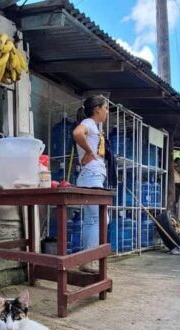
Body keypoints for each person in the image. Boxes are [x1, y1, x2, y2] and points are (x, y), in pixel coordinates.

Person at [72, 95, 108, 273]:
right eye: (106, 108)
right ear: (97, 109)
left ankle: (86, 259)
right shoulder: (88, 122)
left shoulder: (94, 126)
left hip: (90, 176)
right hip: (92, 175)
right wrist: (89, 151)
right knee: (101, 218)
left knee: (90, 220)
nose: (107, 112)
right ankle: (88, 259)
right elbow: (77, 133)